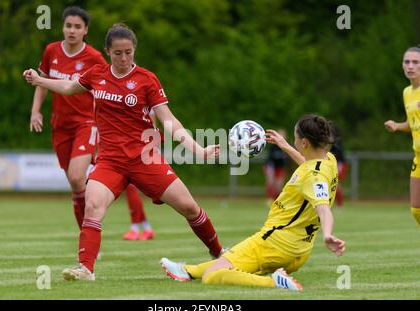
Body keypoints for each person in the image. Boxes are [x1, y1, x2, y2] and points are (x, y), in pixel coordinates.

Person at [23, 23, 224, 281]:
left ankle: (219, 254)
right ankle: (86, 269)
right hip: (110, 161)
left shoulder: (146, 79)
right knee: (93, 205)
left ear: (134, 50)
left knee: (189, 207)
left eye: (128, 52)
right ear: (107, 51)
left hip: (145, 158)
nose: (123, 58)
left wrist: (198, 149)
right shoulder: (96, 74)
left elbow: (169, 121)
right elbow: (69, 87)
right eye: (117, 53)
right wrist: (39, 80)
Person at [160, 115, 346, 291]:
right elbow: (307, 165)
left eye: (295, 137)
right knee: (232, 262)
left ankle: (274, 283)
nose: (294, 141)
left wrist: (328, 234)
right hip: (299, 251)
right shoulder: (329, 160)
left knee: (212, 275)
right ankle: (186, 271)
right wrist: (285, 146)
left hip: (274, 243)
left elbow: (323, 208)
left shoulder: (313, 177)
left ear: (304, 143)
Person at [29, 7, 154, 239]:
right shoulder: (51, 51)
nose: (72, 30)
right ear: (62, 27)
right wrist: (35, 111)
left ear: (86, 30)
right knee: (78, 185)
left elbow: (109, 86)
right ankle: (89, 236)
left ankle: (139, 224)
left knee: (82, 176)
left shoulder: (95, 58)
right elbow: (43, 81)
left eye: (78, 26)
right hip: (61, 126)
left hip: (88, 124)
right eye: (68, 26)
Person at [385, 46, 420, 229]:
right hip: (418, 157)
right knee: (416, 210)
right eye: (407, 62)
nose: (411, 66)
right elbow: (412, 122)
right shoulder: (407, 92)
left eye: (415, 62)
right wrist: (398, 126)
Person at [263, 129, 289, 201]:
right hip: (271, 166)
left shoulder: (286, 146)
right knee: (270, 182)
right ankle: (269, 198)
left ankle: (276, 199)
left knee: (279, 185)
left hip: (280, 167)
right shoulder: (273, 145)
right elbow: (270, 157)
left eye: (283, 135)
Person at [330, 125, 348, 207]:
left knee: (336, 184)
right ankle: (337, 203)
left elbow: (338, 157)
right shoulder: (332, 143)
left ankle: (340, 203)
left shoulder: (336, 144)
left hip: (340, 164)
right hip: (336, 164)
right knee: (334, 184)